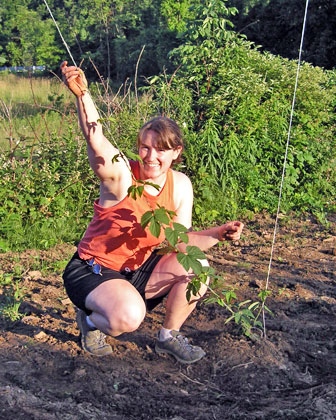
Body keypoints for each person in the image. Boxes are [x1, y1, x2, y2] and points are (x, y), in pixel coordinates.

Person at [60, 61, 244, 364]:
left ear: (176, 152)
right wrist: (84, 97)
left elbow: (180, 242)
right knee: (129, 316)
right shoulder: (122, 177)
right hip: (93, 270)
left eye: (161, 149)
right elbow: (97, 141)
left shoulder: (181, 185)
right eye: (145, 147)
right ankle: (91, 321)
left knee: (198, 267)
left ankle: (168, 337)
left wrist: (218, 234)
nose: (151, 156)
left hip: (136, 270)